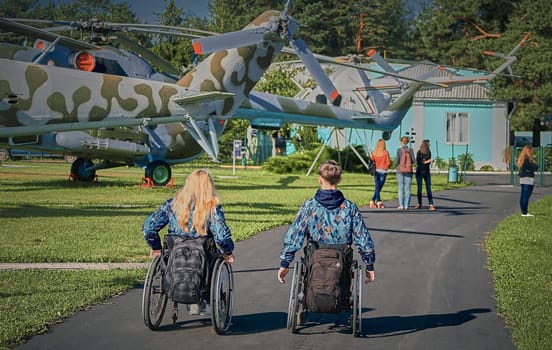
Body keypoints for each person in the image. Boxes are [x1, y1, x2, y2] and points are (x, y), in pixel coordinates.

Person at [142, 169, 235, 313]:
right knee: (214, 257)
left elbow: (148, 228)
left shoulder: (172, 204)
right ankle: (200, 298)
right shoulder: (211, 206)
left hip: (174, 252)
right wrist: (228, 252)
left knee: (167, 257)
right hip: (203, 253)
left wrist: (156, 247)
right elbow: (221, 236)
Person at [277, 160, 376, 285]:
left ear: (319, 179)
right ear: (340, 179)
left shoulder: (309, 206)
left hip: (315, 254)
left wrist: (285, 263)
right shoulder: (349, 207)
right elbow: (362, 237)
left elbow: (295, 236)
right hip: (342, 256)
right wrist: (369, 264)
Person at [369, 139, 392, 209]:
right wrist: (386, 167)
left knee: (377, 187)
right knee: (379, 187)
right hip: (383, 171)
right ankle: (378, 201)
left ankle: (372, 200)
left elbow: (372, 160)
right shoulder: (385, 153)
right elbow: (388, 163)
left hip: (376, 171)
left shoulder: (374, 153)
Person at [517, 145, 538, 217]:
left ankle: (523, 211)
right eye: (531, 151)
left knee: (523, 196)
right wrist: (534, 162)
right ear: (529, 151)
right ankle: (524, 212)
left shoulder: (522, 159)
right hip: (528, 178)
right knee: (526, 196)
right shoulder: (528, 159)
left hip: (523, 178)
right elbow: (535, 167)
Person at [415, 140, 436, 211]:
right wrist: (428, 161)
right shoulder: (419, 153)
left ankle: (431, 204)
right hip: (420, 172)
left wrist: (428, 161)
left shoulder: (428, 152)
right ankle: (419, 203)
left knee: (428, 188)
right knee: (420, 188)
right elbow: (419, 162)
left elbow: (425, 162)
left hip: (426, 172)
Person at [396, 136, 415, 210]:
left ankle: (401, 205)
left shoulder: (399, 150)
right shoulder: (411, 150)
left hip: (400, 171)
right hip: (408, 170)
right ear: (407, 142)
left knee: (400, 188)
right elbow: (413, 160)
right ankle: (407, 205)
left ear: (401, 142)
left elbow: (397, 161)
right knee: (408, 189)